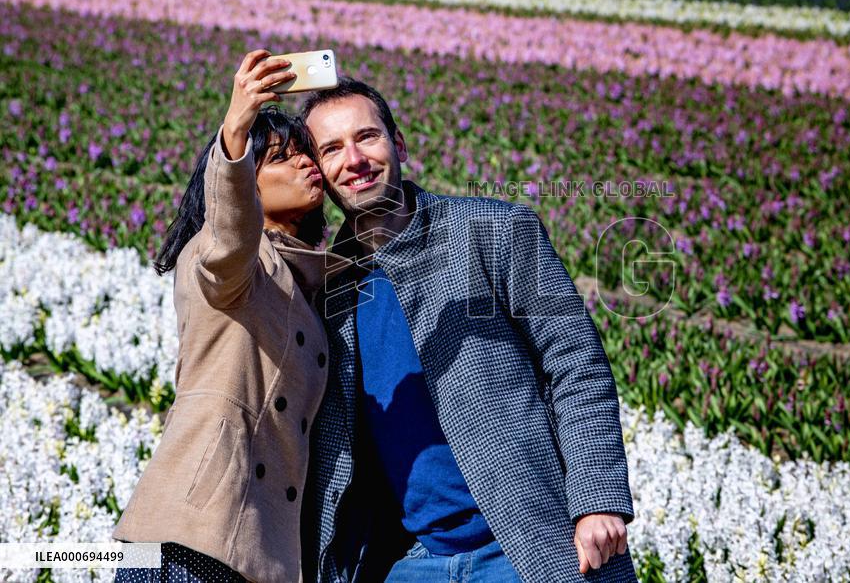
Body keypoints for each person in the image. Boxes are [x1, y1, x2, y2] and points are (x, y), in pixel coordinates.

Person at [299, 78, 636, 583]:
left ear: (399, 144)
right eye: (331, 149)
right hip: (410, 562)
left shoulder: (494, 231)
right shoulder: (327, 284)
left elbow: (575, 363)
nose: (354, 159)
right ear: (319, 173)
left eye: (366, 137)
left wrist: (596, 500)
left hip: (526, 544)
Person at [111, 50, 350, 583]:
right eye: (284, 158)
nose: (307, 163)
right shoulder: (225, 257)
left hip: (256, 552)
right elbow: (230, 238)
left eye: (308, 154)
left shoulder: (309, 283)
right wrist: (237, 127)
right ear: (246, 186)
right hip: (190, 539)